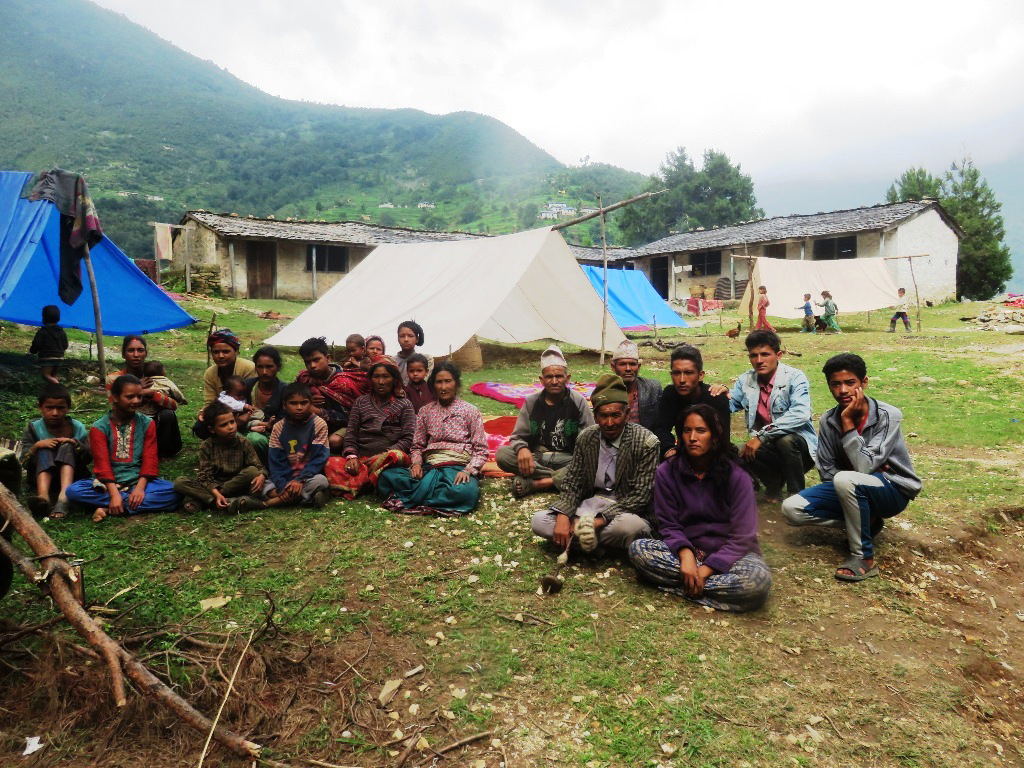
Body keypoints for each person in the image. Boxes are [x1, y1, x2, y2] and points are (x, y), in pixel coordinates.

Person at [782, 354, 921, 582]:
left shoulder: (888, 415)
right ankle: (867, 522)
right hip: (850, 486)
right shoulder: (828, 420)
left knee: (848, 478)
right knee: (792, 509)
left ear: (864, 383)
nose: (843, 390)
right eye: (836, 384)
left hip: (892, 490)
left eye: (850, 383)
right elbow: (827, 470)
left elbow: (863, 466)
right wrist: (860, 472)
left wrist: (848, 425)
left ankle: (864, 558)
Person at [629, 405, 772, 612]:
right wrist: (686, 556)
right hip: (688, 552)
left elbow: (742, 536)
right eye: (687, 431)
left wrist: (705, 571)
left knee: (756, 582)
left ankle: (684, 586)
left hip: (734, 556)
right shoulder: (666, 472)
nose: (692, 437)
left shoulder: (737, 475)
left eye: (701, 431)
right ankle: (706, 588)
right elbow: (669, 525)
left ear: (715, 436)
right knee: (639, 550)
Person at [531, 374, 660, 554]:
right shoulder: (587, 437)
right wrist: (563, 514)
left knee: (630, 528)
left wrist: (598, 521)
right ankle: (598, 544)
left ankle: (581, 541)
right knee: (539, 521)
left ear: (627, 413)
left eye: (615, 415)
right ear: (595, 415)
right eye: (603, 416)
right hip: (591, 504)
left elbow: (641, 496)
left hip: (624, 511)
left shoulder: (647, 442)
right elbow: (573, 482)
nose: (609, 423)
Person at [712, 330, 816, 503]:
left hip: (799, 447)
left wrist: (762, 436)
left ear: (779, 355)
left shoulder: (795, 377)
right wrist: (720, 393)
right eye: (754, 355)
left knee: (786, 440)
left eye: (765, 354)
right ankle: (773, 483)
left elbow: (800, 414)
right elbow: (730, 404)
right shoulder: (746, 379)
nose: (759, 360)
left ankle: (796, 494)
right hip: (767, 445)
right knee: (735, 451)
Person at [378, 362, 487, 516]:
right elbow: (417, 446)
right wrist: (416, 464)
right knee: (386, 477)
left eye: (448, 381)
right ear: (433, 385)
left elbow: (481, 450)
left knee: (466, 491)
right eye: (439, 382)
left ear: (456, 383)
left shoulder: (470, 411)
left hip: (457, 467)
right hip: (430, 466)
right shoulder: (425, 411)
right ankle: (438, 497)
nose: (443, 387)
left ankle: (422, 496)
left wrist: (468, 471)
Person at [65, 375, 181, 521]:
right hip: (107, 484)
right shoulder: (99, 428)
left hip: (139, 481)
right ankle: (123, 503)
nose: (136, 401)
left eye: (139, 396)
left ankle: (109, 508)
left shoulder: (147, 423)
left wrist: (139, 489)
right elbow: (102, 466)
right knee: (73, 491)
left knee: (175, 493)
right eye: (130, 397)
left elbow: (150, 459)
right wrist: (114, 494)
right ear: (115, 397)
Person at [496, 344, 594, 498]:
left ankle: (539, 483)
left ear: (567, 378)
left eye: (559, 376)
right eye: (549, 377)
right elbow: (518, 436)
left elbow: (591, 438)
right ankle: (563, 479)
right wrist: (522, 449)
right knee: (502, 454)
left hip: (569, 458)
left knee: (592, 464)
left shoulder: (578, 401)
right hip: (537, 458)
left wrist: (580, 461)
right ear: (541, 380)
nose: (554, 381)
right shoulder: (531, 402)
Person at [329, 356, 415, 499]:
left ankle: (359, 483)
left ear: (394, 379)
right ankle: (371, 480)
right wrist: (352, 456)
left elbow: (408, 438)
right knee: (331, 462)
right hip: (362, 460)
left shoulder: (404, 404)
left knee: (396, 456)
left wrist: (383, 455)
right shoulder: (360, 402)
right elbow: (351, 434)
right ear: (370, 379)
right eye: (376, 377)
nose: (381, 382)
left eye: (385, 377)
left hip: (388, 458)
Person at [174, 401, 266, 514]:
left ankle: (205, 501)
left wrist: (261, 475)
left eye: (232, 422)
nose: (231, 427)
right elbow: (205, 476)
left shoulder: (243, 442)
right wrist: (216, 493)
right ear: (212, 429)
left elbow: (258, 466)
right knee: (180, 482)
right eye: (223, 425)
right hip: (214, 485)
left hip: (237, 484)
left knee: (252, 471)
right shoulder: (207, 446)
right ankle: (222, 501)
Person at [20, 383, 91, 519]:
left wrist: (74, 443)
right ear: (40, 407)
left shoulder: (77, 427)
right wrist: (36, 446)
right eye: (49, 408)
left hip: (74, 476)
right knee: (44, 449)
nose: (55, 413)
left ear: (68, 408)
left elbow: (88, 458)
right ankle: (43, 498)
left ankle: (64, 498)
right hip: (41, 476)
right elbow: (24, 461)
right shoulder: (33, 428)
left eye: (60, 408)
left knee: (66, 446)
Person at [107, 336, 183, 458]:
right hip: (129, 424)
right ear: (123, 354)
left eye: (140, 350)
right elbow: (115, 409)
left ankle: (161, 453)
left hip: (156, 424)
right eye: (131, 350)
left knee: (167, 414)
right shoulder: (113, 379)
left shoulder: (155, 375)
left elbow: (173, 405)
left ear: (145, 353)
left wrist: (152, 394)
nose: (136, 354)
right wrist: (138, 390)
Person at [653, 344, 731, 461]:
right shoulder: (670, 394)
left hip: (713, 459)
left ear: (700, 375)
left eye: (688, 373)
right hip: (680, 454)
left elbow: (722, 439)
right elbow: (661, 428)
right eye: (676, 373)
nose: (682, 380)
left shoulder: (716, 398)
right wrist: (669, 448)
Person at [261, 382, 330, 508]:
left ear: (311, 403)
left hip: (308, 477)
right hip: (284, 477)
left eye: (304, 403)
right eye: (293, 403)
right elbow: (276, 462)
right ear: (284, 405)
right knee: (262, 484)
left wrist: (300, 480)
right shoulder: (278, 427)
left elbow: (319, 458)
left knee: (321, 481)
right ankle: (305, 497)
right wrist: (283, 486)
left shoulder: (319, 424)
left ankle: (269, 503)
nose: (299, 407)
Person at [296, 336, 368, 452]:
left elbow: (350, 417)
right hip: (311, 424)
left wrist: (318, 411)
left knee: (334, 441)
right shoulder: (304, 379)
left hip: (345, 426)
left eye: (316, 360)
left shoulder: (342, 382)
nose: (312, 366)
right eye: (308, 362)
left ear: (328, 358)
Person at [193, 329, 256, 440]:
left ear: (235, 351)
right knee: (200, 427)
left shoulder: (248, 368)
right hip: (223, 414)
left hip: (246, 413)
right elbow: (210, 401)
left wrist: (246, 415)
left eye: (226, 351)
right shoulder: (210, 373)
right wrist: (204, 412)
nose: (220, 356)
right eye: (216, 352)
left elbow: (254, 398)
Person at [243, 346, 287, 464]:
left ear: (277, 367)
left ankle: (264, 468)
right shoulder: (247, 386)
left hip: (272, 436)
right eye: (260, 367)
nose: (264, 372)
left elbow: (283, 422)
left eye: (269, 367)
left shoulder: (285, 390)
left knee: (255, 439)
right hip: (245, 427)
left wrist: (265, 426)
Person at [609, 339, 661, 432]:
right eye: (622, 364)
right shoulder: (606, 391)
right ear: (613, 367)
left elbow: (660, 425)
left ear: (639, 366)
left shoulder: (652, 388)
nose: (628, 369)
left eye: (632, 364)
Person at [30, 305, 68, 385]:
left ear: (44, 318)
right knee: (53, 375)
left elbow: (37, 344)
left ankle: (58, 387)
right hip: (59, 357)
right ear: (58, 318)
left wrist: (33, 351)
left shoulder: (43, 331)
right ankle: (52, 390)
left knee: (45, 375)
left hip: (48, 357)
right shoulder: (62, 332)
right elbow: (65, 345)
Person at [395, 320, 433, 386]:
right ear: (398, 338)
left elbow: (423, 383)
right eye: (402, 336)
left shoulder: (427, 359)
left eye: (410, 336)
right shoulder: (392, 361)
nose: (406, 339)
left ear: (417, 339)